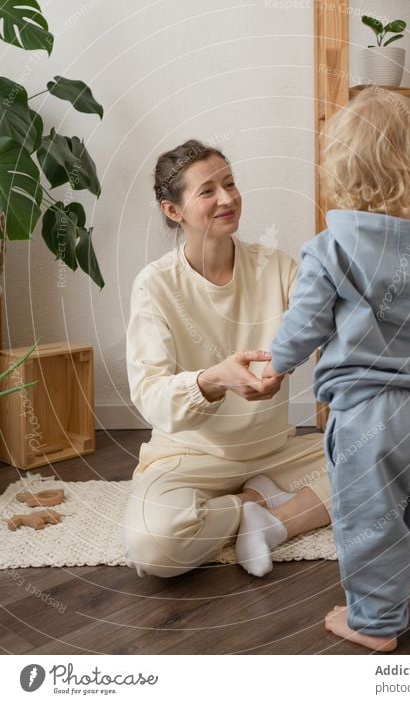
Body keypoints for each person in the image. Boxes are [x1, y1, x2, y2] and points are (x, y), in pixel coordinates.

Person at [262, 88, 410, 652]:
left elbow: (306, 322)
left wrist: (274, 366)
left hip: (368, 414)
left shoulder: (331, 246)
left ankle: (374, 621)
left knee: (371, 521)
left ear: (342, 169)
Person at [123, 139, 331, 579]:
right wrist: (211, 381)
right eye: (207, 191)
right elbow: (150, 395)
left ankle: (274, 521)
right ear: (172, 211)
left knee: (397, 462)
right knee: (153, 548)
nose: (228, 198)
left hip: (274, 452)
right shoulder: (155, 286)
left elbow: (324, 330)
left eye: (231, 183)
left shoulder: (278, 267)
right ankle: (252, 505)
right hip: (189, 458)